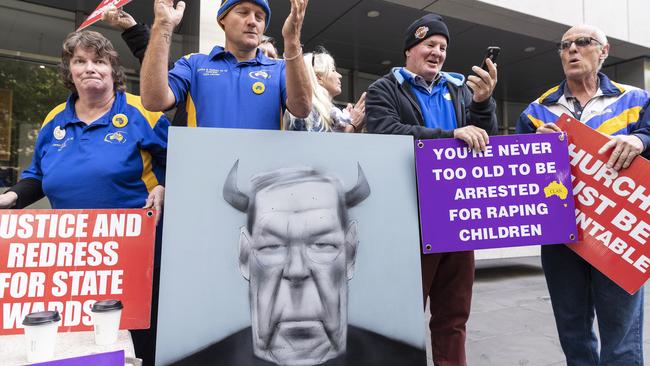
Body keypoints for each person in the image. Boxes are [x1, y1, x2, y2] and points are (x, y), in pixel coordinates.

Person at [0, 30, 169, 365]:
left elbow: (181, 163)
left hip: (136, 254)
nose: (90, 67)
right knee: (83, 343)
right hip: (75, 257)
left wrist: (165, 186)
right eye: (81, 61)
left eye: (100, 61)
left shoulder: (143, 112)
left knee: (139, 342)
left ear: (113, 70)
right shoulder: (53, 121)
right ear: (70, 70)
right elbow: (37, 175)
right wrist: (13, 197)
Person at [169, 162, 426, 366]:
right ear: (245, 256)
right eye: (272, 246)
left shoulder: (405, 359)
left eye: (323, 244)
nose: (296, 270)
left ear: (350, 253)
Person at [365, 13, 498, 366]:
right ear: (410, 49)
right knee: (405, 314)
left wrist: (483, 104)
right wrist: (450, 136)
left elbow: (486, 140)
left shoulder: (460, 89)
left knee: (454, 316)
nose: (438, 52)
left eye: (443, 47)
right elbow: (385, 134)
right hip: (412, 215)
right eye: (430, 45)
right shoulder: (384, 88)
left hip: (457, 215)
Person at [516, 24, 650, 365]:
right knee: (573, 333)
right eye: (564, 46)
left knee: (621, 338)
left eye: (583, 42)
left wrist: (641, 139)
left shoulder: (635, 99)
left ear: (603, 52)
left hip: (618, 235)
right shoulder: (536, 111)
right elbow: (518, 177)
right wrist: (531, 151)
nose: (572, 50)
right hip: (561, 237)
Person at [140, 0, 312, 128]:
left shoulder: (279, 68)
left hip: (262, 175)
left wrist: (292, 40)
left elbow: (302, 109)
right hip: (205, 171)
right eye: (243, 12)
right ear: (222, 19)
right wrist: (163, 26)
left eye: (260, 17)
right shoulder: (194, 64)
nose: (253, 21)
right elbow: (154, 101)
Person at [284, 47, 366, 133]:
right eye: (333, 70)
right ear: (318, 78)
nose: (339, 76)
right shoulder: (307, 110)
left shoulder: (323, 110)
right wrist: (352, 125)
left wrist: (350, 122)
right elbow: (319, 145)